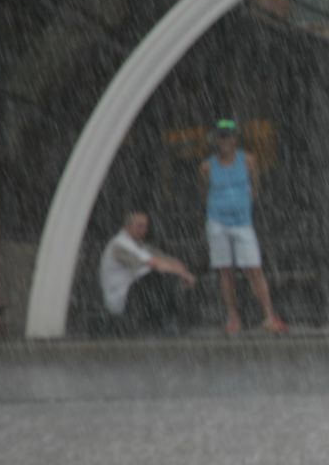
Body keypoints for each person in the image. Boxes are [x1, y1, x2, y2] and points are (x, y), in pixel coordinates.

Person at [198, 119, 286, 335]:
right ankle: (233, 317)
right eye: (222, 137)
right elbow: (203, 192)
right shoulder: (207, 166)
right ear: (216, 140)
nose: (225, 141)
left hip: (242, 222)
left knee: (254, 269)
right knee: (225, 271)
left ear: (235, 139)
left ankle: (268, 315)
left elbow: (255, 186)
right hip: (218, 221)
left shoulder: (248, 160)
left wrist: (243, 204)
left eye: (229, 136)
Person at [96, 211, 197, 336]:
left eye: (145, 226)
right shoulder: (119, 246)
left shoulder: (140, 245)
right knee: (157, 277)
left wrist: (183, 272)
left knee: (167, 277)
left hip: (136, 292)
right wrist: (181, 273)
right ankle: (163, 322)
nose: (143, 230)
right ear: (127, 226)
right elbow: (153, 263)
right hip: (121, 296)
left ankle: (173, 320)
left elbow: (165, 259)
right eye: (139, 226)